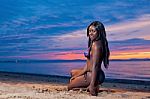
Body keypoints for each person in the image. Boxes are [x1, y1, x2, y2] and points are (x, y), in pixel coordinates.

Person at [67, 21, 110, 96]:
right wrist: (77, 75)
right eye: (89, 31)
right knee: (72, 73)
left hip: (93, 75)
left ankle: (92, 85)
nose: (91, 33)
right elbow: (88, 64)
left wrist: (92, 85)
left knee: (69, 86)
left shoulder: (97, 46)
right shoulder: (93, 43)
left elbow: (96, 66)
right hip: (91, 72)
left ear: (99, 32)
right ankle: (89, 84)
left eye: (94, 31)